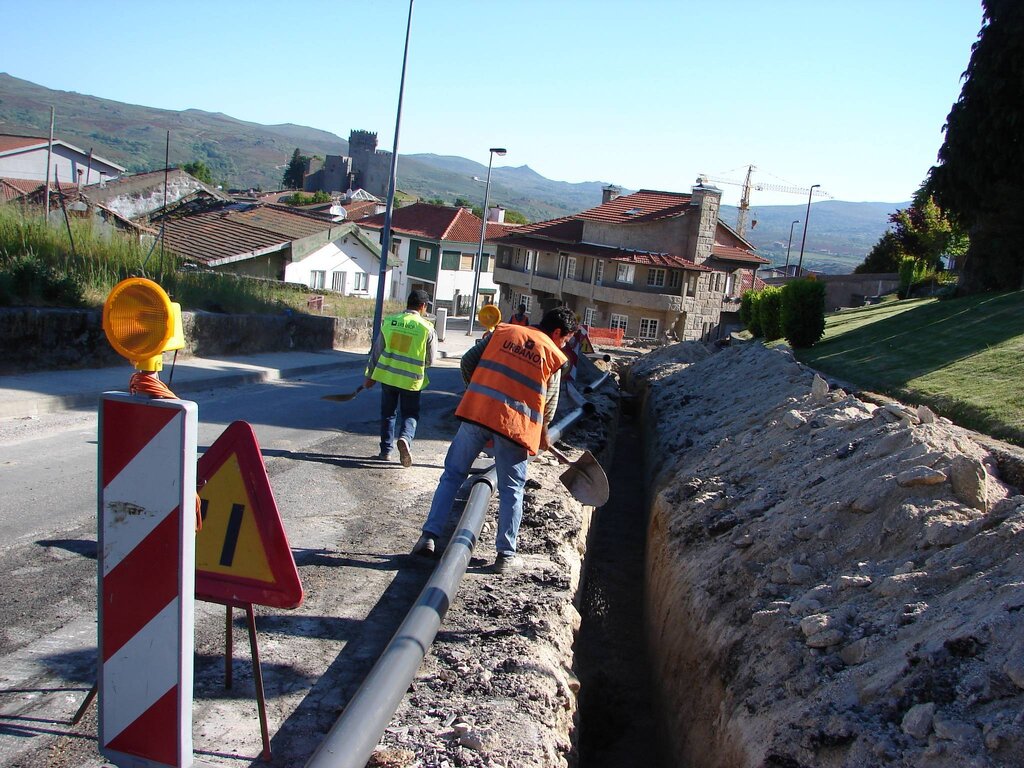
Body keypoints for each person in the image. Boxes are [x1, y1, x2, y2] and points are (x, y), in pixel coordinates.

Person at [413, 306, 577, 572]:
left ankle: (429, 538)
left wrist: (476, 393)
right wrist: (543, 433)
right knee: (512, 489)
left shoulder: (502, 332)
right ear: (558, 332)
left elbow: (468, 361)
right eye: (567, 339)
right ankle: (505, 556)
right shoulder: (553, 355)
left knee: (452, 475)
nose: (566, 344)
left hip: (477, 414)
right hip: (514, 428)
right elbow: (549, 403)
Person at [363, 289, 437, 467]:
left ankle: (385, 451)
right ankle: (405, 438)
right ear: (423, 306)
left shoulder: (390, 321)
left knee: (388, 413)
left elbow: (377, 350)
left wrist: (370, 375)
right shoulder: (426, 328)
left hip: (388, 377)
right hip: (411, 380)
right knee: (410, 413)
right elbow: (430, 360)